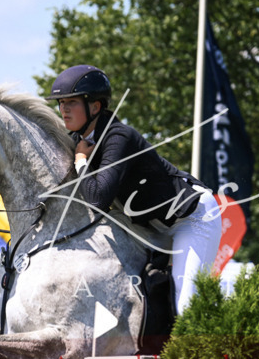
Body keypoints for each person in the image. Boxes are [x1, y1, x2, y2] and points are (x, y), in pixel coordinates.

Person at [45, 64, 222, 311]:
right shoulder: (76, 141)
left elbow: (97, 200)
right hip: (149, 227)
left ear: (95, 106)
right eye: (61, 102)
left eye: (71, 102)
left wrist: (81, 161)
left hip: (191, 218)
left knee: (185, 303)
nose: (63, 109)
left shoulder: (119, 137)